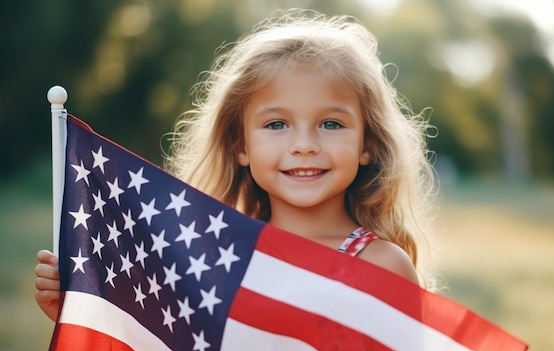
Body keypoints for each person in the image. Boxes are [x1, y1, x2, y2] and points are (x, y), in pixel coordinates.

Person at [34, 8, 439, 322]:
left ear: (366, 144)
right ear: (239, 145)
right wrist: (78, 312)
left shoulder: (381, 266)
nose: (303, 145)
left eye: (330, 123)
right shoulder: (211, 259)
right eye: (276, 124)